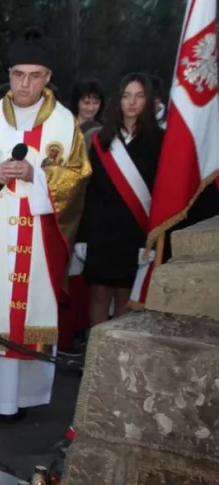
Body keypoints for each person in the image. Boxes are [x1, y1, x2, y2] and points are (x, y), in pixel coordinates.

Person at [0, 27, 91, 423]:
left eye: (34, 76)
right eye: (18, 75)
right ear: (9, 75)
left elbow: (78, 176)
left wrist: (37, 175)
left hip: (37, 237)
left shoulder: (64, 124)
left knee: (24, 317)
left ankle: (16, 400)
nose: (25, 84)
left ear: (47, 78)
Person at [81, 73, 163, 325]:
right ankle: (94, 346)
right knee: (98, 294)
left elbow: (160, 194)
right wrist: (83, 237)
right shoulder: (101, 139)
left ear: (148, 100)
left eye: (139, 96)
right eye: (126, 96)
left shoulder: (160, 141)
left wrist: (152, 241)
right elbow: (90, 192)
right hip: (101, 231)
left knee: (125, 296)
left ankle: (115, 349)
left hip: (134, 231)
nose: (132, 102)